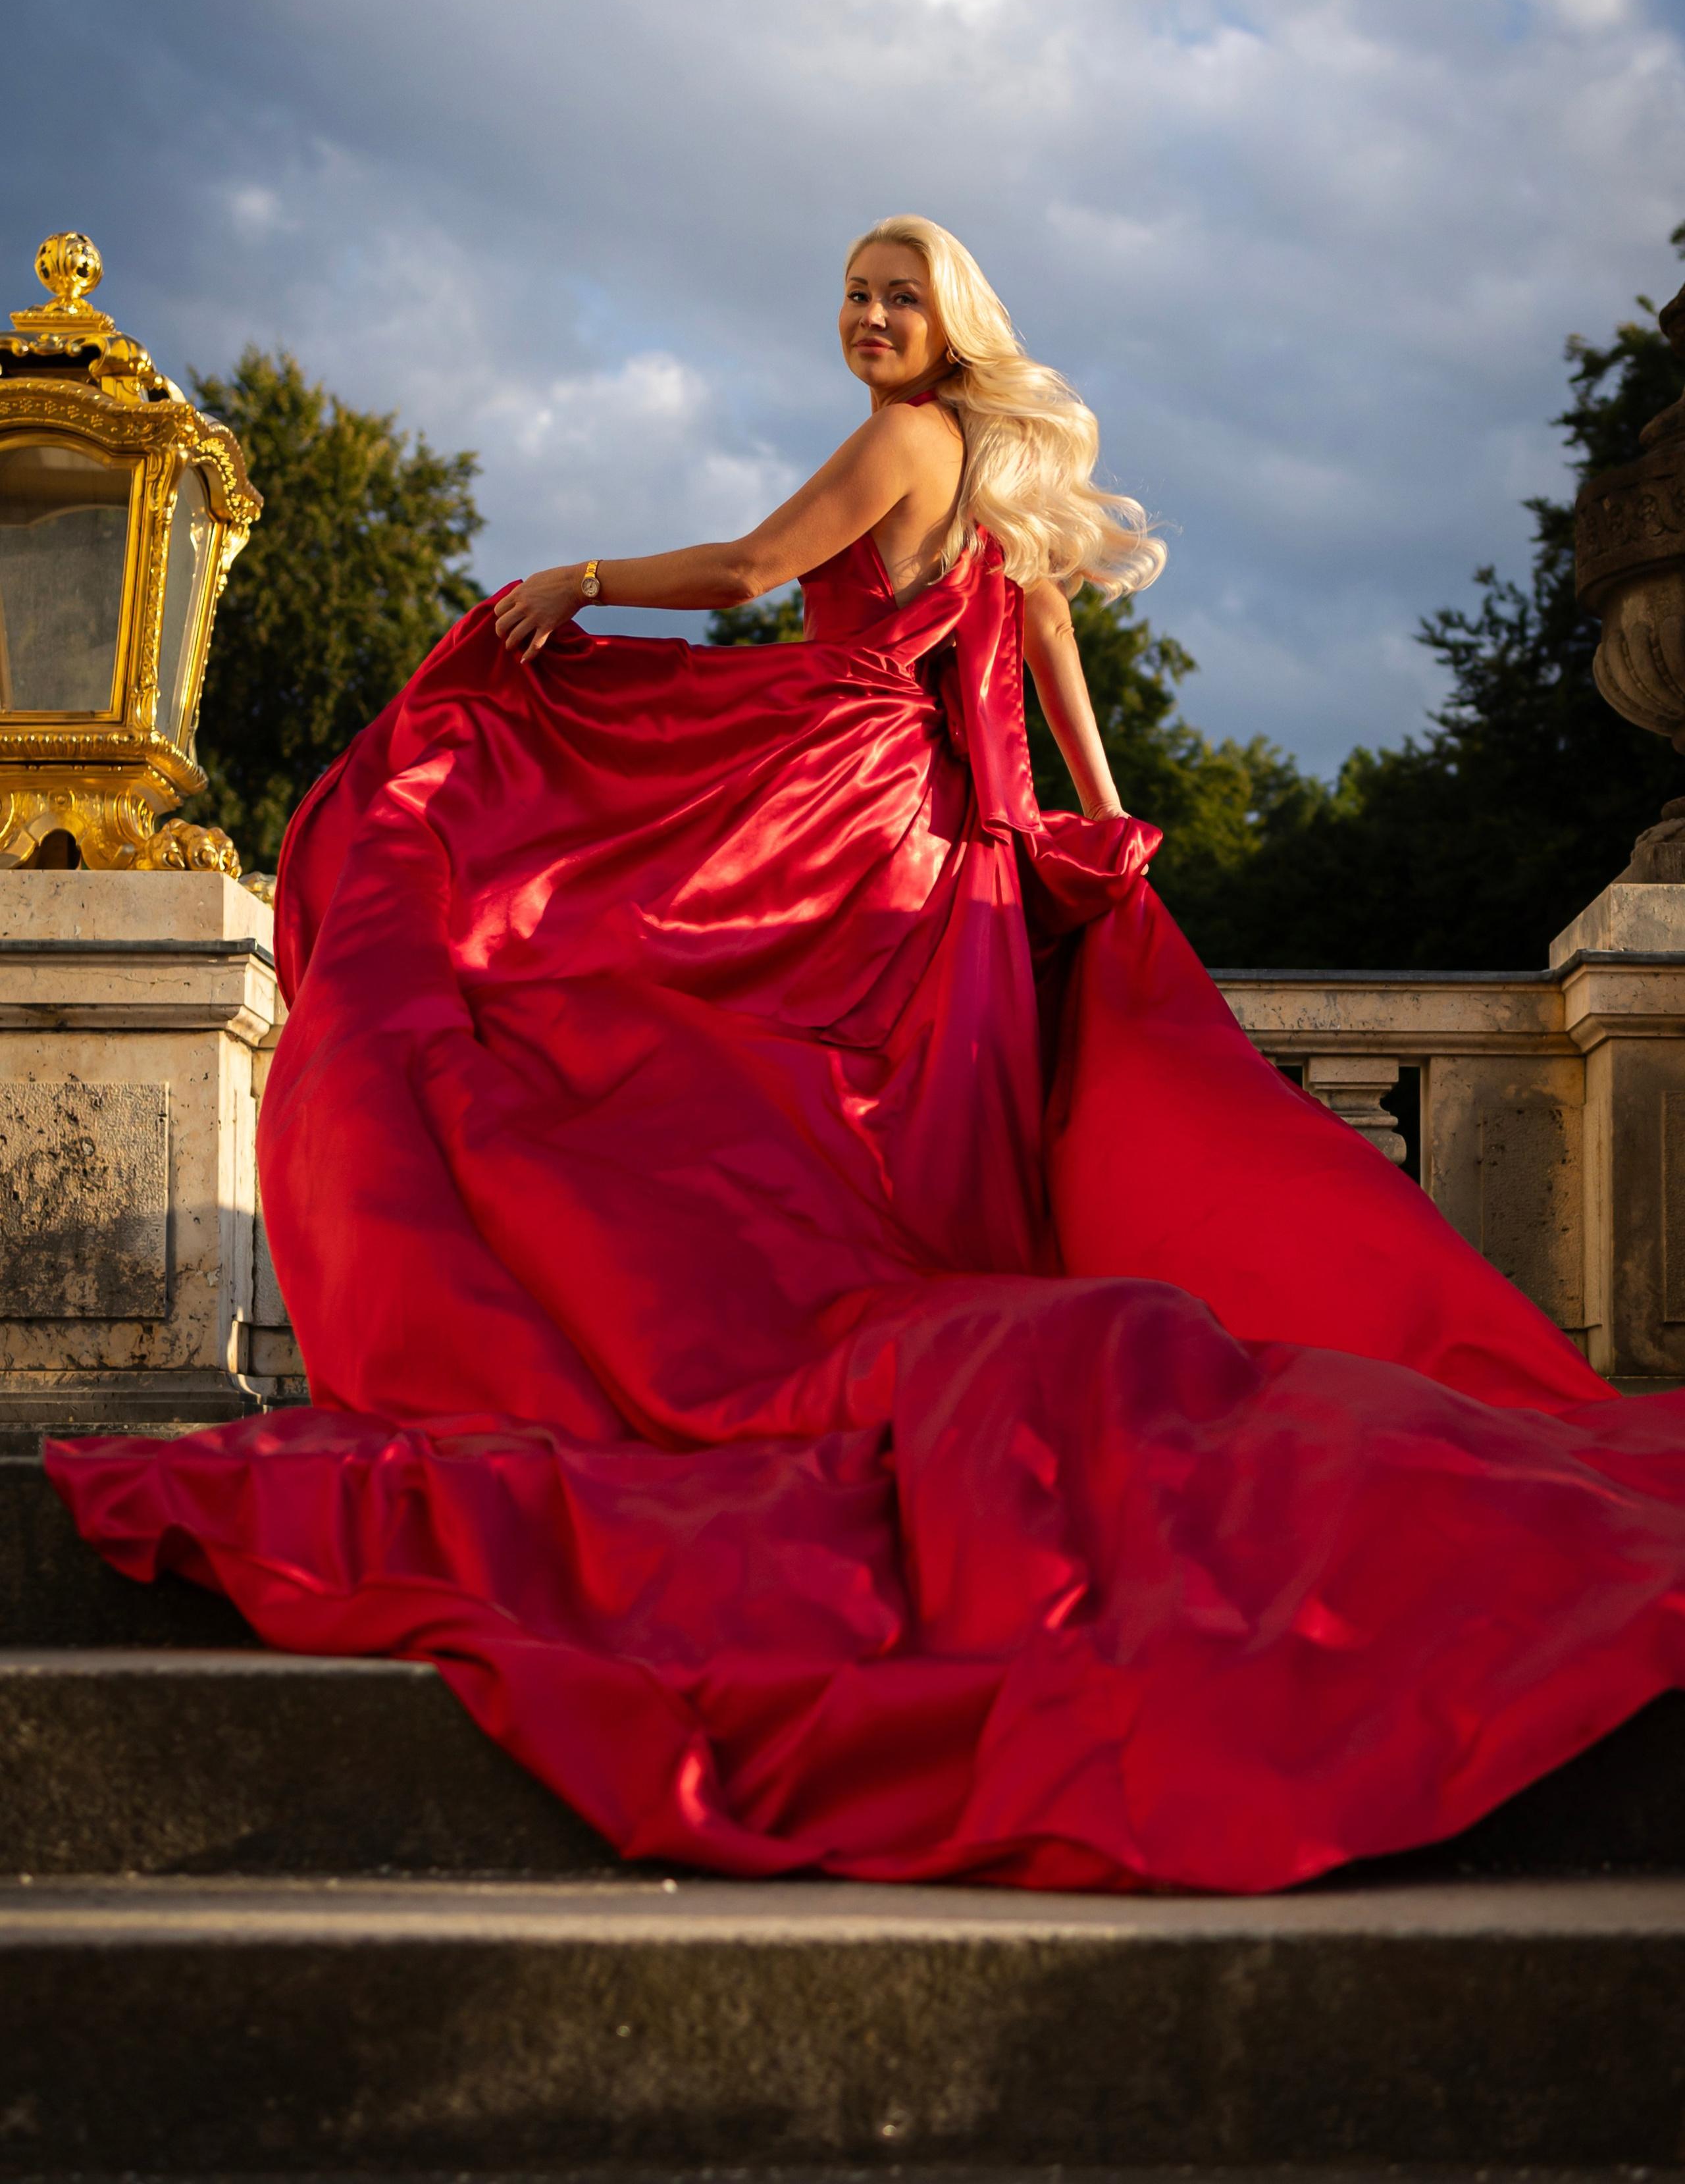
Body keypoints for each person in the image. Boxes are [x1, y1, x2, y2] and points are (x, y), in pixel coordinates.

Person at [47, 217, 1685, 1895]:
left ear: (950, 321)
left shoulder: (906, 441)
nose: (869, 317)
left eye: (899, 296)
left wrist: (576, 582)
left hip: (847, 811)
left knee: (625, 992)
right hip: (951, 853)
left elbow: (749, 570)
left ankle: (768, 1347)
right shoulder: (999, 475)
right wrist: (1105, 823)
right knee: (866, 1113)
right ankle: (872, 1354)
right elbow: (1048, 660)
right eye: (853, 292)